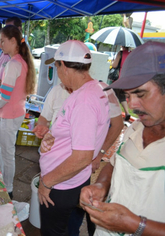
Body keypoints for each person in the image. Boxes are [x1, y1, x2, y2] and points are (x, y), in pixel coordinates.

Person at [80, 41, 165, 236]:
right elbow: (114, 163)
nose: (132, 104)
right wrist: (101, 185)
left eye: (140, 93)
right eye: (127, 95)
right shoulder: (135, 129)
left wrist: (136, 225)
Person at [37, 40, 110, 236]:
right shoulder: (96, 88)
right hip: (71, 181)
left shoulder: (84, 100)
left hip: (61, 185)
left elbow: (81, 157)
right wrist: (51, 138)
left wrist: (46, 183)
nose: (58, 73)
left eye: (57, 67)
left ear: (64, 67)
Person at [33, 81, 123, 235]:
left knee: (72, 217)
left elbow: (118, 124)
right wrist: (43, 128)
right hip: (54, 168)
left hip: (78, 171)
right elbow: (43, 118)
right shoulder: (56, 91)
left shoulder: (101, 91)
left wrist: (99, 154)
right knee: (55, 222)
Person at [0, 25, 36, 199]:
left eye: (2, 41)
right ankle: (2, 178)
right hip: (14, 112)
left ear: (13, 41)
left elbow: (5, 95)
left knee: (8, 153)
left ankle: (8, 188)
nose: (0, 45)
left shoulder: (14, 63)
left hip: (11, 113)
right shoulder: (19, 61)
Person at [111, 46, 131, 121]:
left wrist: (113, 61)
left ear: (122, 45)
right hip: (128, 78)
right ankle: (127, 112)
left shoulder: (121, 53)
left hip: (119, 77)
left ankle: (115, 114)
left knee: (112, 95)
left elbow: (114, 65)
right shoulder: (132, 54)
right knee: (122, 96)